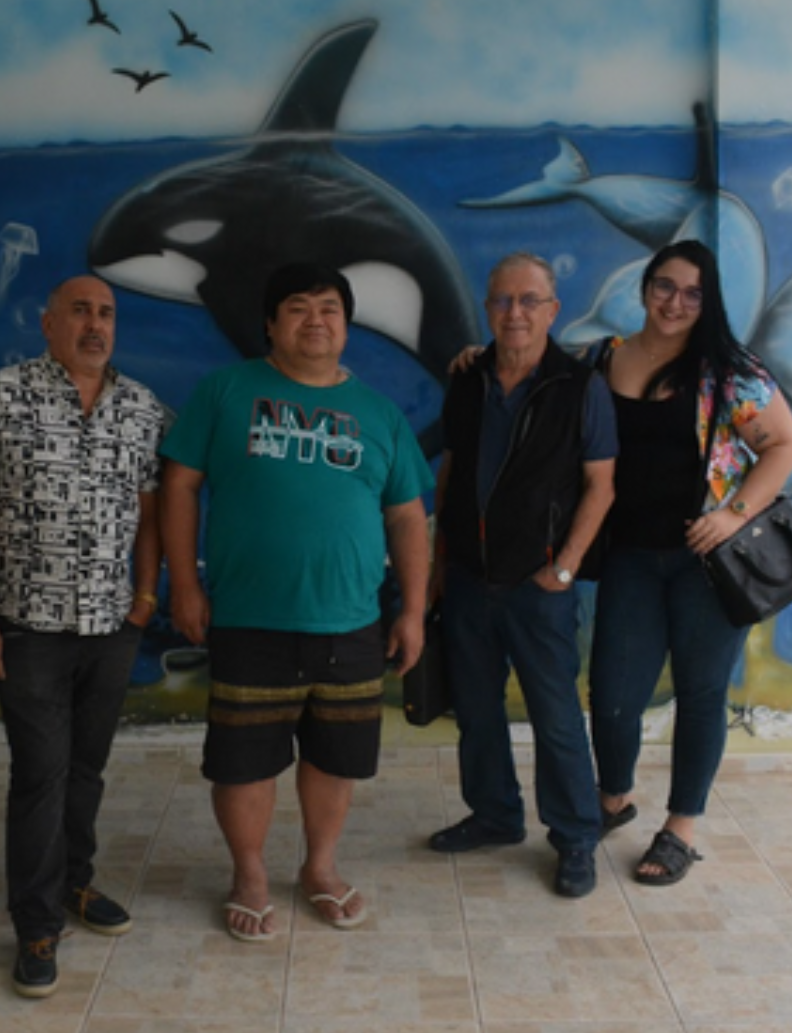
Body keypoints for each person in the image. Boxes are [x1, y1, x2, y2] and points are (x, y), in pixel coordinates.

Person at [160, 262, 432, 941]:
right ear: (271, 325)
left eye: (331, 308)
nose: (317, 320)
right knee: (243, 760)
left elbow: (407, 518)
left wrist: (414, 609)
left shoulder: (378, 412)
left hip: (351, 621)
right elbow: (180, 486)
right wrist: (185, 584)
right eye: (300, 308)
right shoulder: (226, 391)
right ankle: (249, 872)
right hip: (249, 618)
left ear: (347, 323)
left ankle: (319, 867)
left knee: (335, 758)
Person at [0, 275, 163, 998]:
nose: (94, 324)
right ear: (48, 323)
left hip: (111, 627)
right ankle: (35, 923)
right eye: (80, 311)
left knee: (87, 768)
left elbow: (150, 514)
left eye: (105, 313)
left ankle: (75, 883)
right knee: (39, 774)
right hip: (27, 628)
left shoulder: (141, 408)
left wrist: (142, 600)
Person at [588, 239, 792, 885]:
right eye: (665, 285)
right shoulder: (606, 359)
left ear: (708, 303)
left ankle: (681, 828)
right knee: (614, 696)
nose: (676, 302)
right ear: (645, 287)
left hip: (707, 564)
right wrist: (479, 357)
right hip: (630, 557)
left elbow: (784, 443)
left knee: (702, 694)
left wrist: (733, 514)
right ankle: (613, 798)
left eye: (693, 292)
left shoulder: (728, 370)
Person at [427, 251, 617, 899]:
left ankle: (575, 838)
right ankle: (495, 815)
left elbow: (601, 487)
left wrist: (563, 569)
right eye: (503, 300)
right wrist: (437, 559)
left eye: (529, 300)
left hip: (539, 588)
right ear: (488, 308)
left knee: (556, 716)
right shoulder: (468, 379)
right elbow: (450, 470)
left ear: (552, 310)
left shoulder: (580, 386)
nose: (515, 313)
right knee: (477, 711)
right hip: (469, 580)